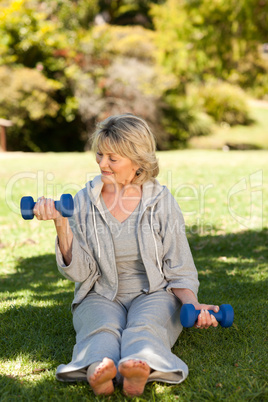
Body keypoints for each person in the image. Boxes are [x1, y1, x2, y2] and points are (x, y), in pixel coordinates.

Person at [33, 113, 219, 397]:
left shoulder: (161, 201)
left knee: (146, 326)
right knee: (101, 327)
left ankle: (138, 365)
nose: (102, 163)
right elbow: (83, 273)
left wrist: (192, 306)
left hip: (154, 292)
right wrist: (62, 225)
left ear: (137, 162)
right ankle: (99, 367)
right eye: (99, 154)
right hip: (99, 291)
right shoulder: (82, 201)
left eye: (113, 158)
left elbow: (179, 266)